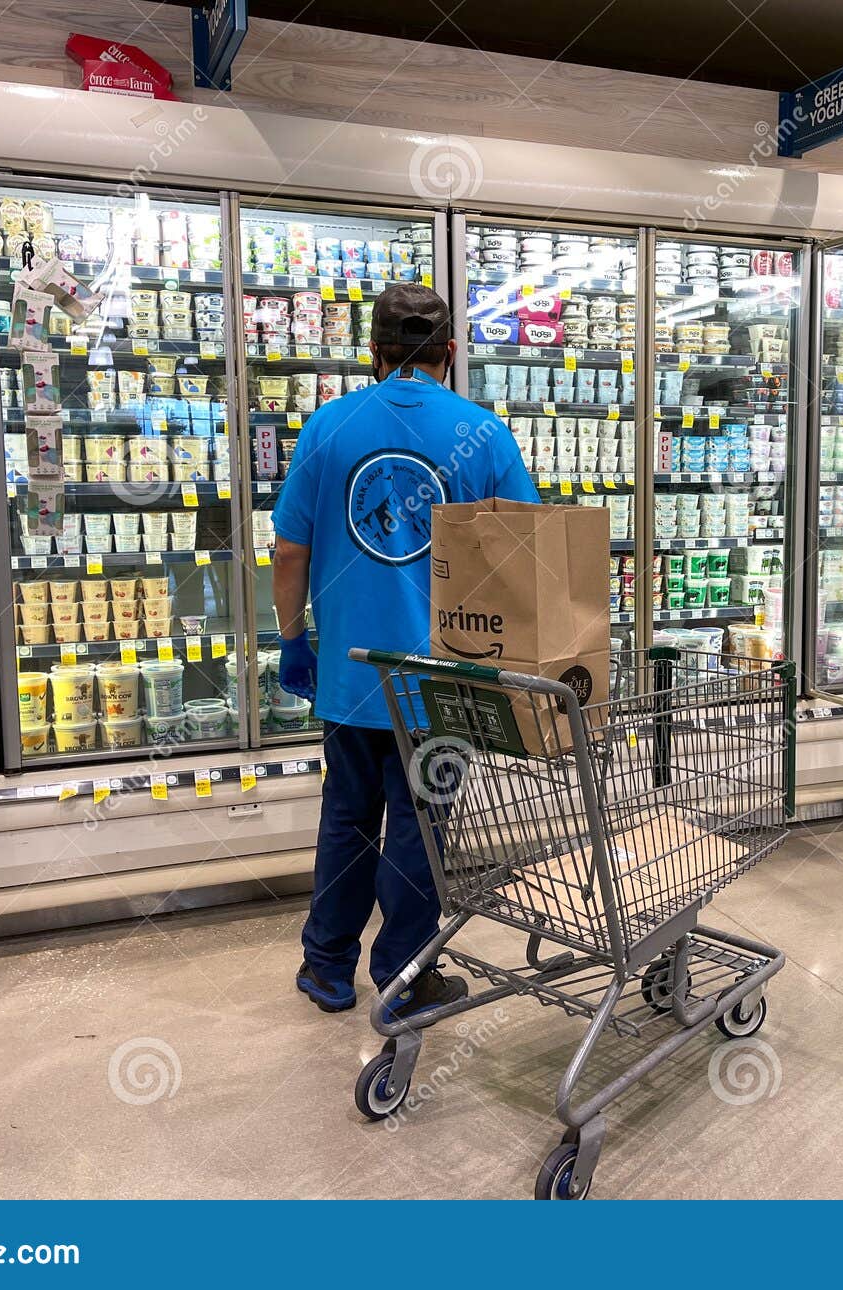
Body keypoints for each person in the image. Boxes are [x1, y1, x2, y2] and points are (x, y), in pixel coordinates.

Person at [270, 283, 539, 1015]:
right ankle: (405, 976)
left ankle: (327, 969)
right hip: (442, 681)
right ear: (450, 353)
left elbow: (289, 549)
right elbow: (528, 552)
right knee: (422, 828)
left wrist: (295, 640)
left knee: (346, 820)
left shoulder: (329, 426)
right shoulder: (484, 433)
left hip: (350, 677)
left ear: (373, 352)